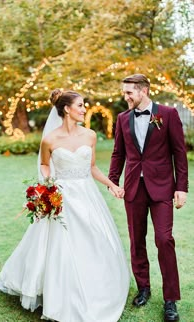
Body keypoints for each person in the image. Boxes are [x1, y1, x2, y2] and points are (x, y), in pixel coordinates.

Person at [0, 88, 130, 322]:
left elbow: (92, 167)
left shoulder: (90, 135)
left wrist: (112, 185)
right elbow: (45, 165)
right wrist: (48, 183)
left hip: (87, 196)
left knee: (95, 240)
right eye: (80, 105)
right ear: (67, 109)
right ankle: (61, 292)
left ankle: (97, 288)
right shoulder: (50, 139)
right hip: (62, 197)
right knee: (61, 246)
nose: (84, 109)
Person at [108, 74, 188, 322]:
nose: (126, 97)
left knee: (164, 240)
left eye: (129, 92)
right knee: (136, 239)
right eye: (124, 92)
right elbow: (118, 152)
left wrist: (181, 187)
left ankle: (170, 299)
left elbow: (179, 152)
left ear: (143, 91)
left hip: (163, 187)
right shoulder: (122, 119)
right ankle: (144, 288)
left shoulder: (168, 114)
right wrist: (113, 181)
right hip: (134, 187)